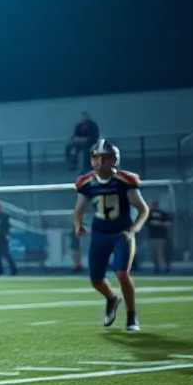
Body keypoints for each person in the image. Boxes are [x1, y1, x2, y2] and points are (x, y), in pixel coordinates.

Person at [73, 139, 148, 331]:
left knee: (122, 273)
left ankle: (132, 316)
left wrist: (133, 230)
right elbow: (79, 209)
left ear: (113, 160)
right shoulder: (87, 182)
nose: (99, 163)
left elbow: (143, 209)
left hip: (120, 234)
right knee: (96, 280)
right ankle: (112, 298)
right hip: (99, 234)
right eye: (95, 158)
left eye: (104, 158)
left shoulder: (124, 181)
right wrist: (78, 226)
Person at [145, 199, 173, 274]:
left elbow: (168, 224)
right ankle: (156, 267)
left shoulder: (163, 213)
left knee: (161, 253)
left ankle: (164, 268)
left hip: (162, 236)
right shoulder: (149, 214)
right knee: (153, 253)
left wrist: (159, 223)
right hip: (152, 236)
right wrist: (161, 224)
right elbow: (150, 222)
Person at [0, 203, 17, 276]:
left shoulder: (5, 216)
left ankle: (14, 270)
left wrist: (4, 233)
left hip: (3, 237)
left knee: (6, 254)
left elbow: (7, 227)